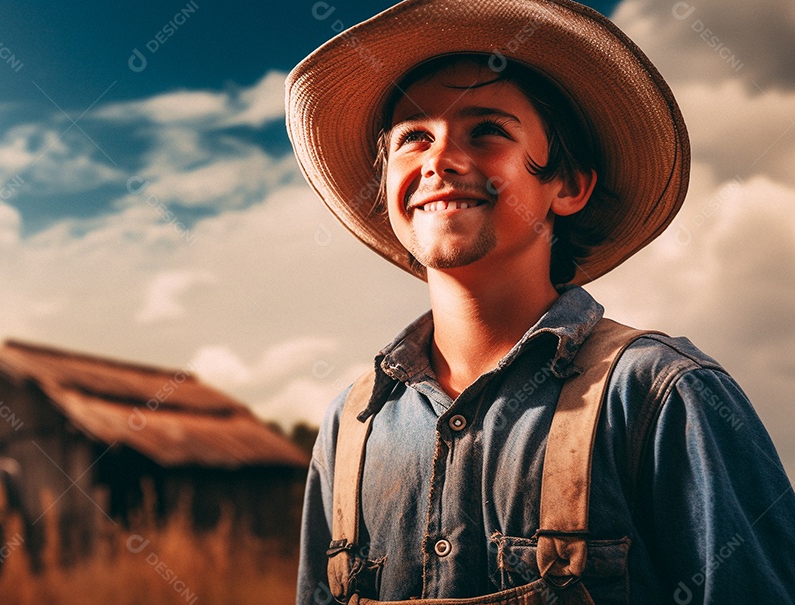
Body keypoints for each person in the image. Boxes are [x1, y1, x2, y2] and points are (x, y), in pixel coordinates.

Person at [285, 0, 795, 603]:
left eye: (488, 130)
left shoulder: (661, 397)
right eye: (414, 137)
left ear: (569, 186)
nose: (439, 160)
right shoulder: (351, 426)